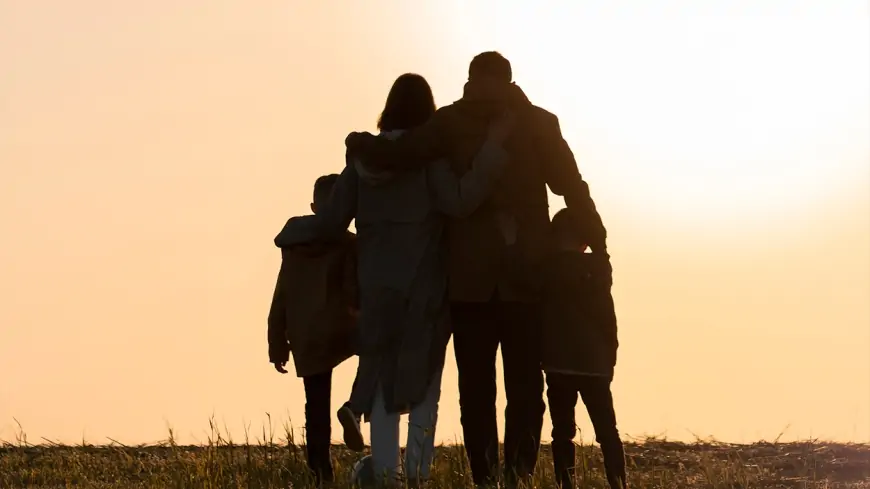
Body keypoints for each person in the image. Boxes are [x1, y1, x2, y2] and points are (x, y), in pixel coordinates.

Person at [344, 51, 607, 485]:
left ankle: (498, 475)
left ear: (475, 79)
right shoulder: (528, 123)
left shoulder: (477, 122)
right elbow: (572, 188)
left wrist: (361, 143)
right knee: (512, 389)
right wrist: (599, 243)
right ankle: (505, 475)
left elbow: (405, 151)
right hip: (505, 280)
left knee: (490, 390)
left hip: (484, 281)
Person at [274, 73, 516, 486]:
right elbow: (459, 202)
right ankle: (418, 474)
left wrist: (293, 232)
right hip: (425, 285)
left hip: (375, 286)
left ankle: (386, 472)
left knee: (384, 383)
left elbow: (333, 221)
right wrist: (492, 150)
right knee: (425, 384)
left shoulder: (361, 161)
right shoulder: (428, 160)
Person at [267, 174, 358, 485]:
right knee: (378, 358)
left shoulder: (293, 245)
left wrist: (276, 341)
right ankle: (356, 407)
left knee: (315, 406)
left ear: (313, 206)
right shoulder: (347, 244)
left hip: (306, 333)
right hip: (341, 327)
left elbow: (282, 294)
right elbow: (353, 289)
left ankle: (321, 470)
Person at [539, 208, 626, 489]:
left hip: (558, 363)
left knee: (562, 432)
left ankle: (566, 483)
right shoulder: (598, 271)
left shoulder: (546, 270)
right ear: (585, 240)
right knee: (607, 431)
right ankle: (618, 483)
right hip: (594, 364)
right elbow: (608, 322)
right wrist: (609, 359)